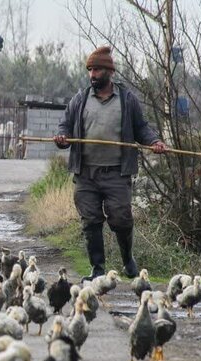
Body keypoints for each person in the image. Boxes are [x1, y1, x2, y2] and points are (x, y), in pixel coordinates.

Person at [53, 46, 167, 280]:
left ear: (109, 71)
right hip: (86, 174)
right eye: (90, 70)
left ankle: (128, 260)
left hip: (116, 174)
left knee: (121, 219)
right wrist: (62, 138)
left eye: (97, 70)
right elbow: (64, 125)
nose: (92, 75)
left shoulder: (127, 100)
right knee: (90, 221)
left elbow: (142, 128)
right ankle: (98, 269)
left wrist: (154, 141)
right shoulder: (80, 99)